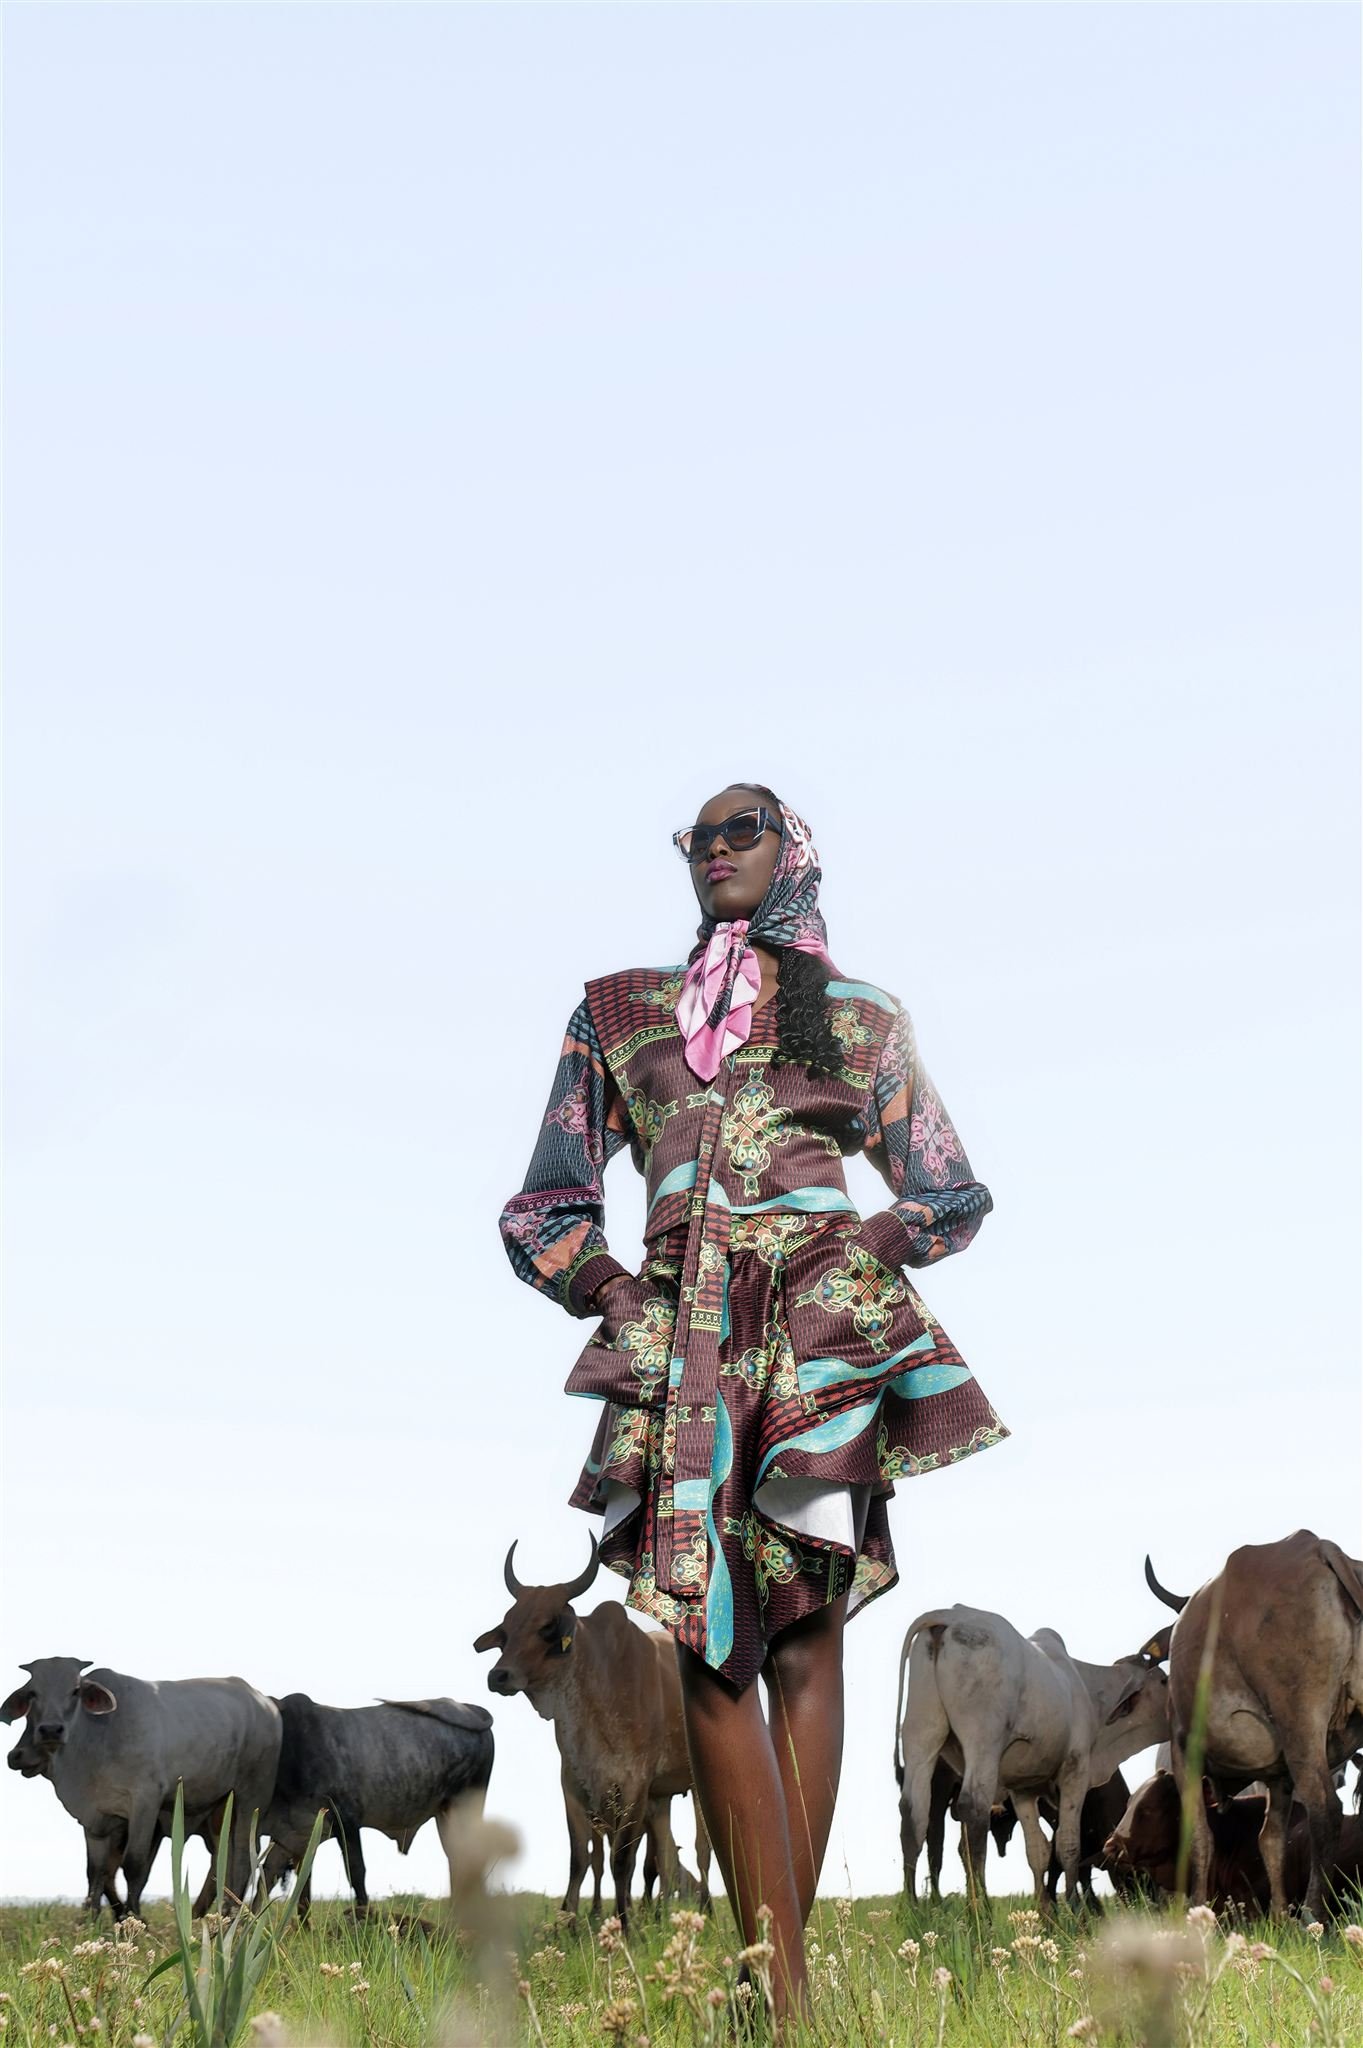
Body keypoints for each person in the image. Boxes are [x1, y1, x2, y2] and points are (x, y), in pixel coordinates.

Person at [499, 782, 1007, 2024]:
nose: (716, 852)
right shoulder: (619, 1012)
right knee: (702, 1638)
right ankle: (773, 1979)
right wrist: (615, 1290)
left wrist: (862, 1247)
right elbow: (544, 1204)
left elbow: (948, 1184)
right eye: (698, 839)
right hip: (684, 1346)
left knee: (803, 1637)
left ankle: (775, 1987)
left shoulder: (861, 1017)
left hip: (821, 1340)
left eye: (743, 831)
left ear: (794, 853)